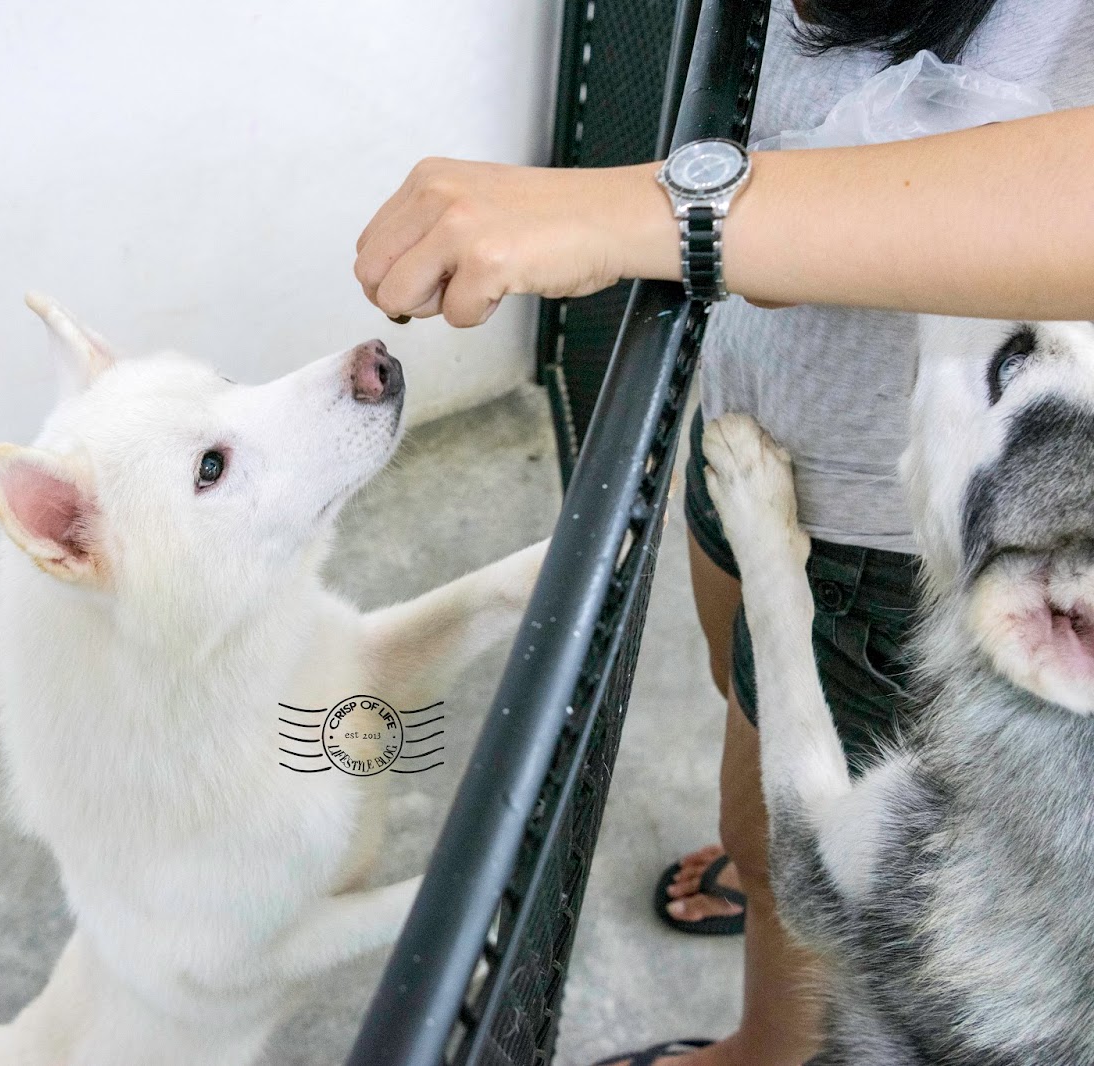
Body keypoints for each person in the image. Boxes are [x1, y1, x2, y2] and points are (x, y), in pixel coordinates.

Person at [352, 1, 1094, 1063]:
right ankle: (762, 865)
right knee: (737, 683)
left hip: (916, 516)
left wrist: (660, 208)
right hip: (753, 390)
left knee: (798, 851)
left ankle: (760, 1041)